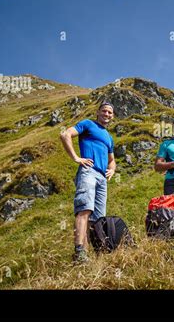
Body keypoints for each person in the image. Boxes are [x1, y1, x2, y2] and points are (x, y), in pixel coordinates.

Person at [60, 102, 116, 263]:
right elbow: (65, 135)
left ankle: (97, 257)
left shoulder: (109, 137)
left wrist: (111, 170)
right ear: (98, 112)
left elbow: (112, 161)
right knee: (84, 209)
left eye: (110, 112)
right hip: (88, 173)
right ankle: (79, 252)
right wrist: (76, 158)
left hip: (102, 179)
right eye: (104, 111)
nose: (107, 114)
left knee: (99, 219)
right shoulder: (87, 124)